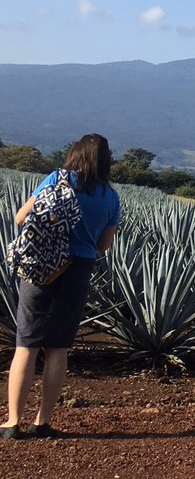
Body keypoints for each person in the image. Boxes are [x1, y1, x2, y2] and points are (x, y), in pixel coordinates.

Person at [3, 134, 120, 439]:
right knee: (57, 347)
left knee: (26, 345)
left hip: (41, 267)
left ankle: (13, 421)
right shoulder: (110, 197)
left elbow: (20, 218)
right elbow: (104, 245)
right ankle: (42, 421)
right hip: (78, 270)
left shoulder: (58, 179)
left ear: (75, 154)